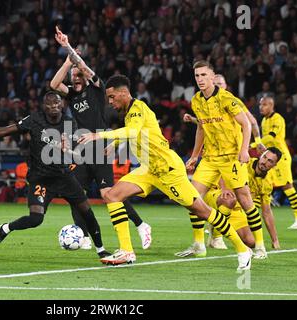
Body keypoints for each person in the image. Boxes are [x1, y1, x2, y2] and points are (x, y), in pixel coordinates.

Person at [78, 74, 252, 270]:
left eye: (111, 97)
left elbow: (133, 131)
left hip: (168, 170)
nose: (109, 102)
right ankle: (126, 251)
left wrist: (97, 135)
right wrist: (115, 143)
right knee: (112, 195)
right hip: (149, 169)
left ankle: (242, 249)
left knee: (202, 211)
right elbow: (138, 132)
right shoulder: (130, 112)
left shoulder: (138, 109)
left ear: (123, 93)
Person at [0, 91, 111, 259]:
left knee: (87, 212)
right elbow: (7, 130)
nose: (54, 107)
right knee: (36, 219)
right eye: (50, 105)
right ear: (44, 107)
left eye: (57, 104)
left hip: (63, 176)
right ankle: (6, 228)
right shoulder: (35, 119)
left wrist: (68, 144)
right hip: (40, 178)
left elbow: (71, 141)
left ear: (62, 105)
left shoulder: (69, 122)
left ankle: (101, 251)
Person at [50, 27, 152, 250]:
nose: (75, 79)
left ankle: (141, 225)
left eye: (78, 76)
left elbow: (85, 68)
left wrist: (69, 50)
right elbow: (53, 85)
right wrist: (67, 63)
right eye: (73, 77)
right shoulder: (73, 94)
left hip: (100, 148)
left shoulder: (98, 89)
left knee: (109, 194)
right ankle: (84, 236)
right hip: (82, 149)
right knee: (74, 192)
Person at [177, 61, 267, 259]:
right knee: (192, 197)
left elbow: (246, 125)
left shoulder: (227, 98)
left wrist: (244, 151)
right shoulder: (196, 101)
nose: (200, 79)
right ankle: (199, 244)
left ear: (212, 76)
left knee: (245, 200)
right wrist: (194, 156)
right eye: (197, 76)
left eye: (203, 75)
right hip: (210, 158)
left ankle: (260, 246)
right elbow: (201, 129)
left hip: (231, 157)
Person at [204, 147, 283, 252]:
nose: (264, 162)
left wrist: (275, 240)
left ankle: (215, 222)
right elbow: (222, 168)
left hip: (236, 210)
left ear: (275, 165)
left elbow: (267, 212)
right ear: (261, 156)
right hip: (218, 195)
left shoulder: (267, 183)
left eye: (270, 161)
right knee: (229, 199)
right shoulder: (244, 162)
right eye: (264, 157)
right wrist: (224, 188)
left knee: (251, 242)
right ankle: (216, 237)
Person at [259, 96, 297, 229]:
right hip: (270, 157)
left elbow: (271, 137)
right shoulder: (263, 120)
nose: (261, 107)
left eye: (265, 105)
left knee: (287, 187)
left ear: (272, 106)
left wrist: (256, 143)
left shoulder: (278, 118)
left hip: (281, 158)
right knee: (262, 185)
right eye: (260, 105)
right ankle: (254, 218)